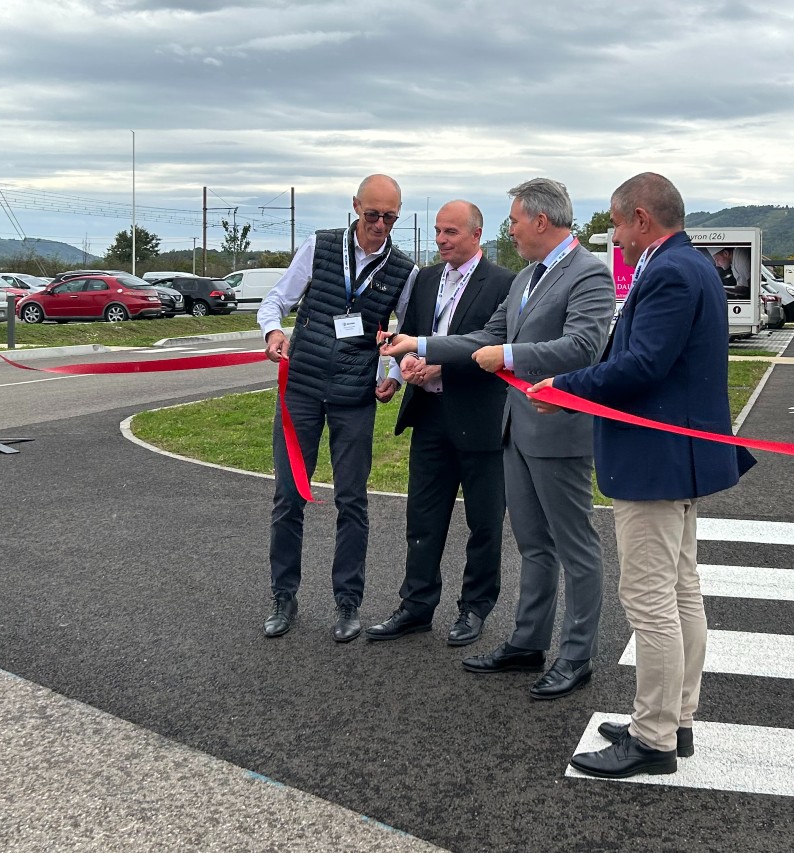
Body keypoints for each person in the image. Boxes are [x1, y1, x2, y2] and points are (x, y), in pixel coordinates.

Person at [528, 172, 755, 777]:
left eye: (617, 222)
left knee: (651, 600)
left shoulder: (670, 271)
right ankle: (674, 718)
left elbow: (642, 365)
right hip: (675, 456)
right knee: (680, 592)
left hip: (655, 461)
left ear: (642, 220)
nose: (615, 234)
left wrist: (566, 390)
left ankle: (653, 738)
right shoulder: (691, 265)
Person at [379, 177, 614, 700]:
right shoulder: (528, 277)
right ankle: (528, 643)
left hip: (559, 431)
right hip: (518, 429)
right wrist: (419, 343)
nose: (509, 228)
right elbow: (488, 335)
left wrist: (507, 357)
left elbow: (583, 346)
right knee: (533, 546)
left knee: (575, 548)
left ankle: (576, 656)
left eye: (513, 219)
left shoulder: (589, 274)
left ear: (540, 221)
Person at [257, 174, 418, 643]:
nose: (381, 225)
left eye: (390, 216)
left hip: (353, 399)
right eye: (373, 215)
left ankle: (348, 602)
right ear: (355, 207)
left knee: (352, 501)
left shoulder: (402, 269)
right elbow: (277, 299)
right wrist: (273, 332)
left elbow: (403, 334)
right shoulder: (321, 245)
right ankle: (283, 596)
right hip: (302, 390)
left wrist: (391, 378)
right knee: (289, 497)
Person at [365, 201, 515, 647]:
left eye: (451, 231)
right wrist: (397, 373)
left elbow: (497, 346)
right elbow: (406, 334)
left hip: (479, 418)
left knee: (484, 522)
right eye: (437, 231)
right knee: (423, 517)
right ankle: (416, 606)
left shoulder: (504, 283)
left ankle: (474, 607)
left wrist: (443, 369)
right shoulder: (427, 279)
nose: (441, 240)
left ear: (477, 235)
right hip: (429, 417)